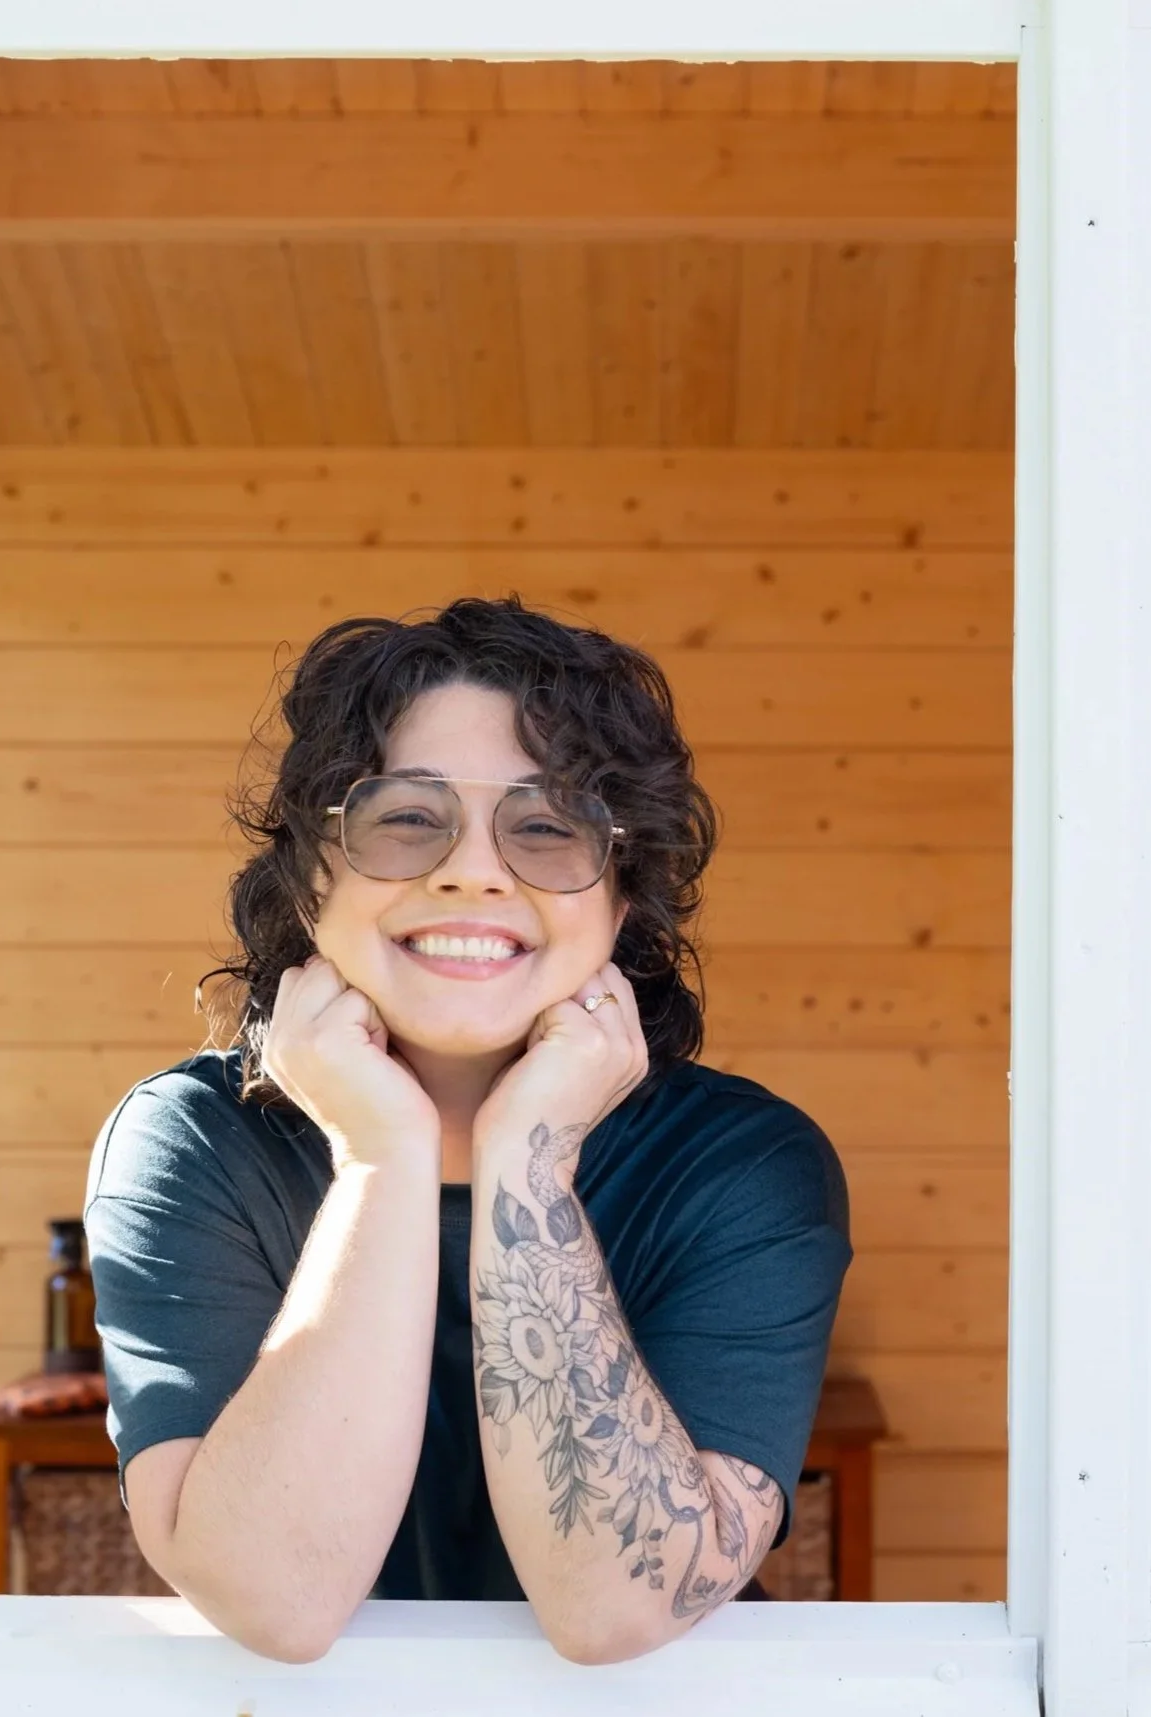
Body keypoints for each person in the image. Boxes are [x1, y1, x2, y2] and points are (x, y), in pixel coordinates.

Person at [83, 597, 851, 1664]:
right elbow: (275, 1598)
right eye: (406, 817)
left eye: (544, 826)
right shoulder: (190, 1142)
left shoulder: (742, 1165)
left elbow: (620, 1611)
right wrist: (378, 1152)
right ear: (312, 879)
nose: (475, 871)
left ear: (622, 903)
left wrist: (523, 1149)